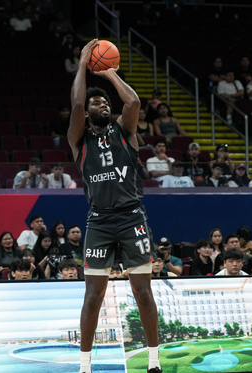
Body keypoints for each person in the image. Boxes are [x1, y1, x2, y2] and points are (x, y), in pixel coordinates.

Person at [68, 39, 162, 373]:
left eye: (105, 103)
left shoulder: (125, 130)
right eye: (96, 103)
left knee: (143, 292)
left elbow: (133, 101)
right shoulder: (79, 139)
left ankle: (153, 361)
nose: (101, 105)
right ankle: (84, 365)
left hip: (132, 216)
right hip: (100, 221)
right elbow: (76, 106)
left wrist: (108, 73)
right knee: (92, 296)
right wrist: (82, 64)